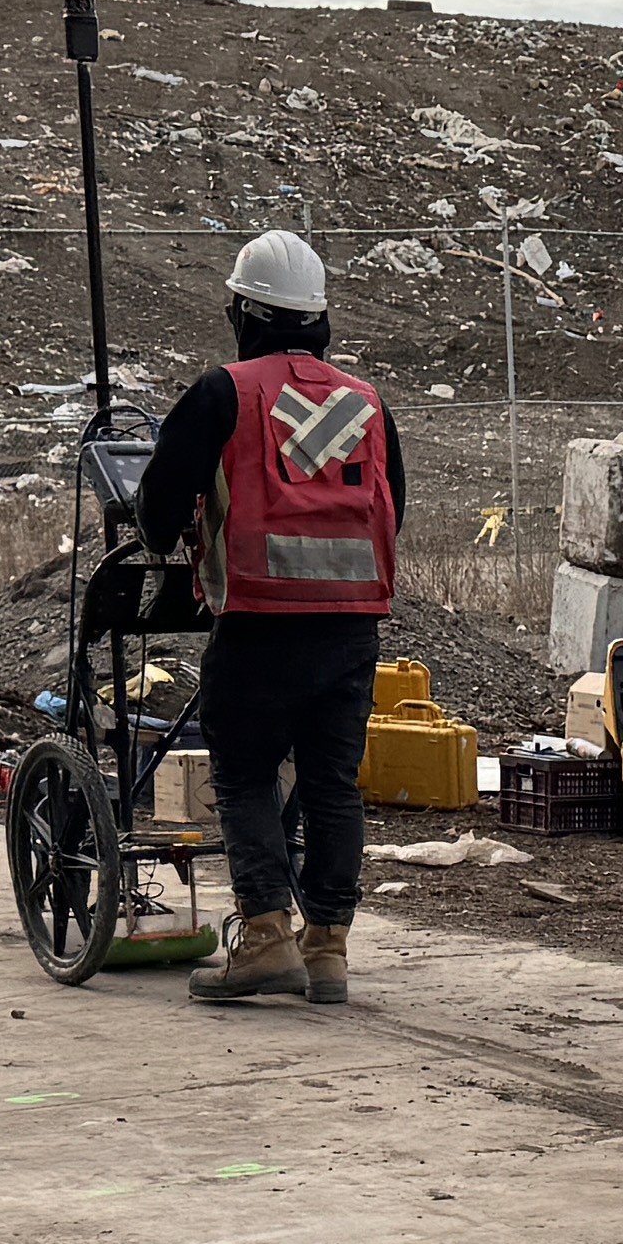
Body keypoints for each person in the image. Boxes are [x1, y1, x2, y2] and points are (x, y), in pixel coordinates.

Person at [137, 230, 408, 1008]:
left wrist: (160, 544)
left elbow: (163, 494)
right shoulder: (365, 401)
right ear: (319, 316)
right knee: (331, 784)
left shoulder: (227, 391)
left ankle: (264, 936)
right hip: (352, 623)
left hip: (258, 620)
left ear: (243, 311)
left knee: (246, 769)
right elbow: (396, 502)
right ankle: (327, 950)